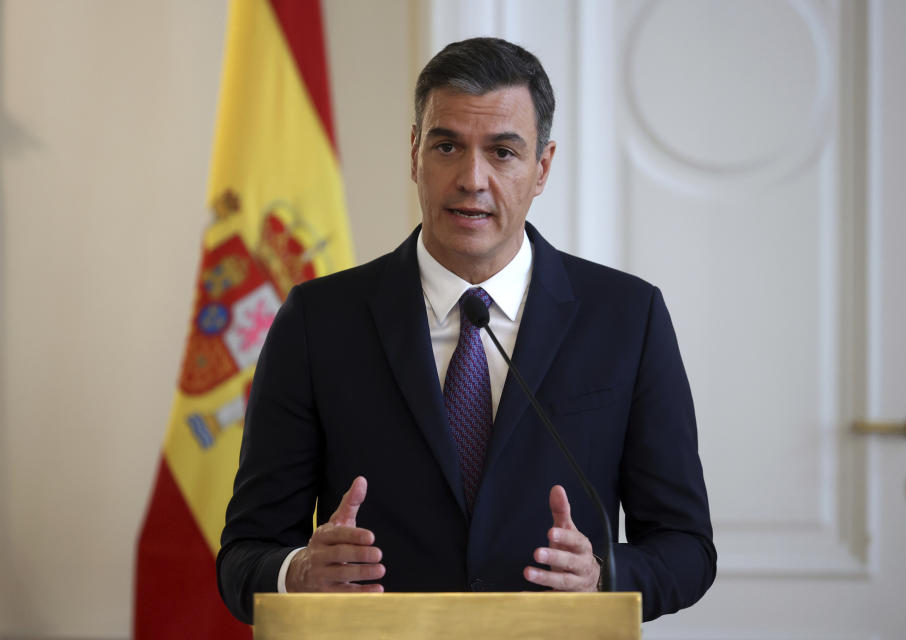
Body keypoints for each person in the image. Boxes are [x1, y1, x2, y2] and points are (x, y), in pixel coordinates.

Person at [217, 37, 716, 625]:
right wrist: (295, 572)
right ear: (413, 155)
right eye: (447, 145)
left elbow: (686, 550)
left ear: (542, 167)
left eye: (503, 152)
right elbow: (243, 555)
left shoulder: (628, 318)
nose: (471, 178)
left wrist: (604, 574)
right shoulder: (317, 321)